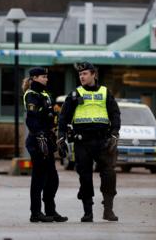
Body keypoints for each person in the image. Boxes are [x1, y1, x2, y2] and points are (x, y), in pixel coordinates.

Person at [57, 61, 121, 222]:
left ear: (93, 74)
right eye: (80, 74)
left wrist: (114, 134)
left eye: (85, 74)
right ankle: (88, 212)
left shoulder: (106, 92)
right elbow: (63, 117)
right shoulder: (75, 94)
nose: (81, 77)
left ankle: (108, 210)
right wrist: (61, 136)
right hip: (82, 142)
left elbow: (115, 114)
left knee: (109, 175)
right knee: (85, 177)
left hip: (103, 141)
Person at [22, 67, 68, 223]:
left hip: (47, 139)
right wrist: (40, 135)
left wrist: (58, 137)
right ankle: (35, 213)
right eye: (43, 76)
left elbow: (52, 117)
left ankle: (50, 210)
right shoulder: (31, 94)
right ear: (34, 78)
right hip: (37, 140)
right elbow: (32, 119)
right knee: (39, 178)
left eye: (46, 76)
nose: (46, 79)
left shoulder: (46, 94)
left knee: (52, 179)